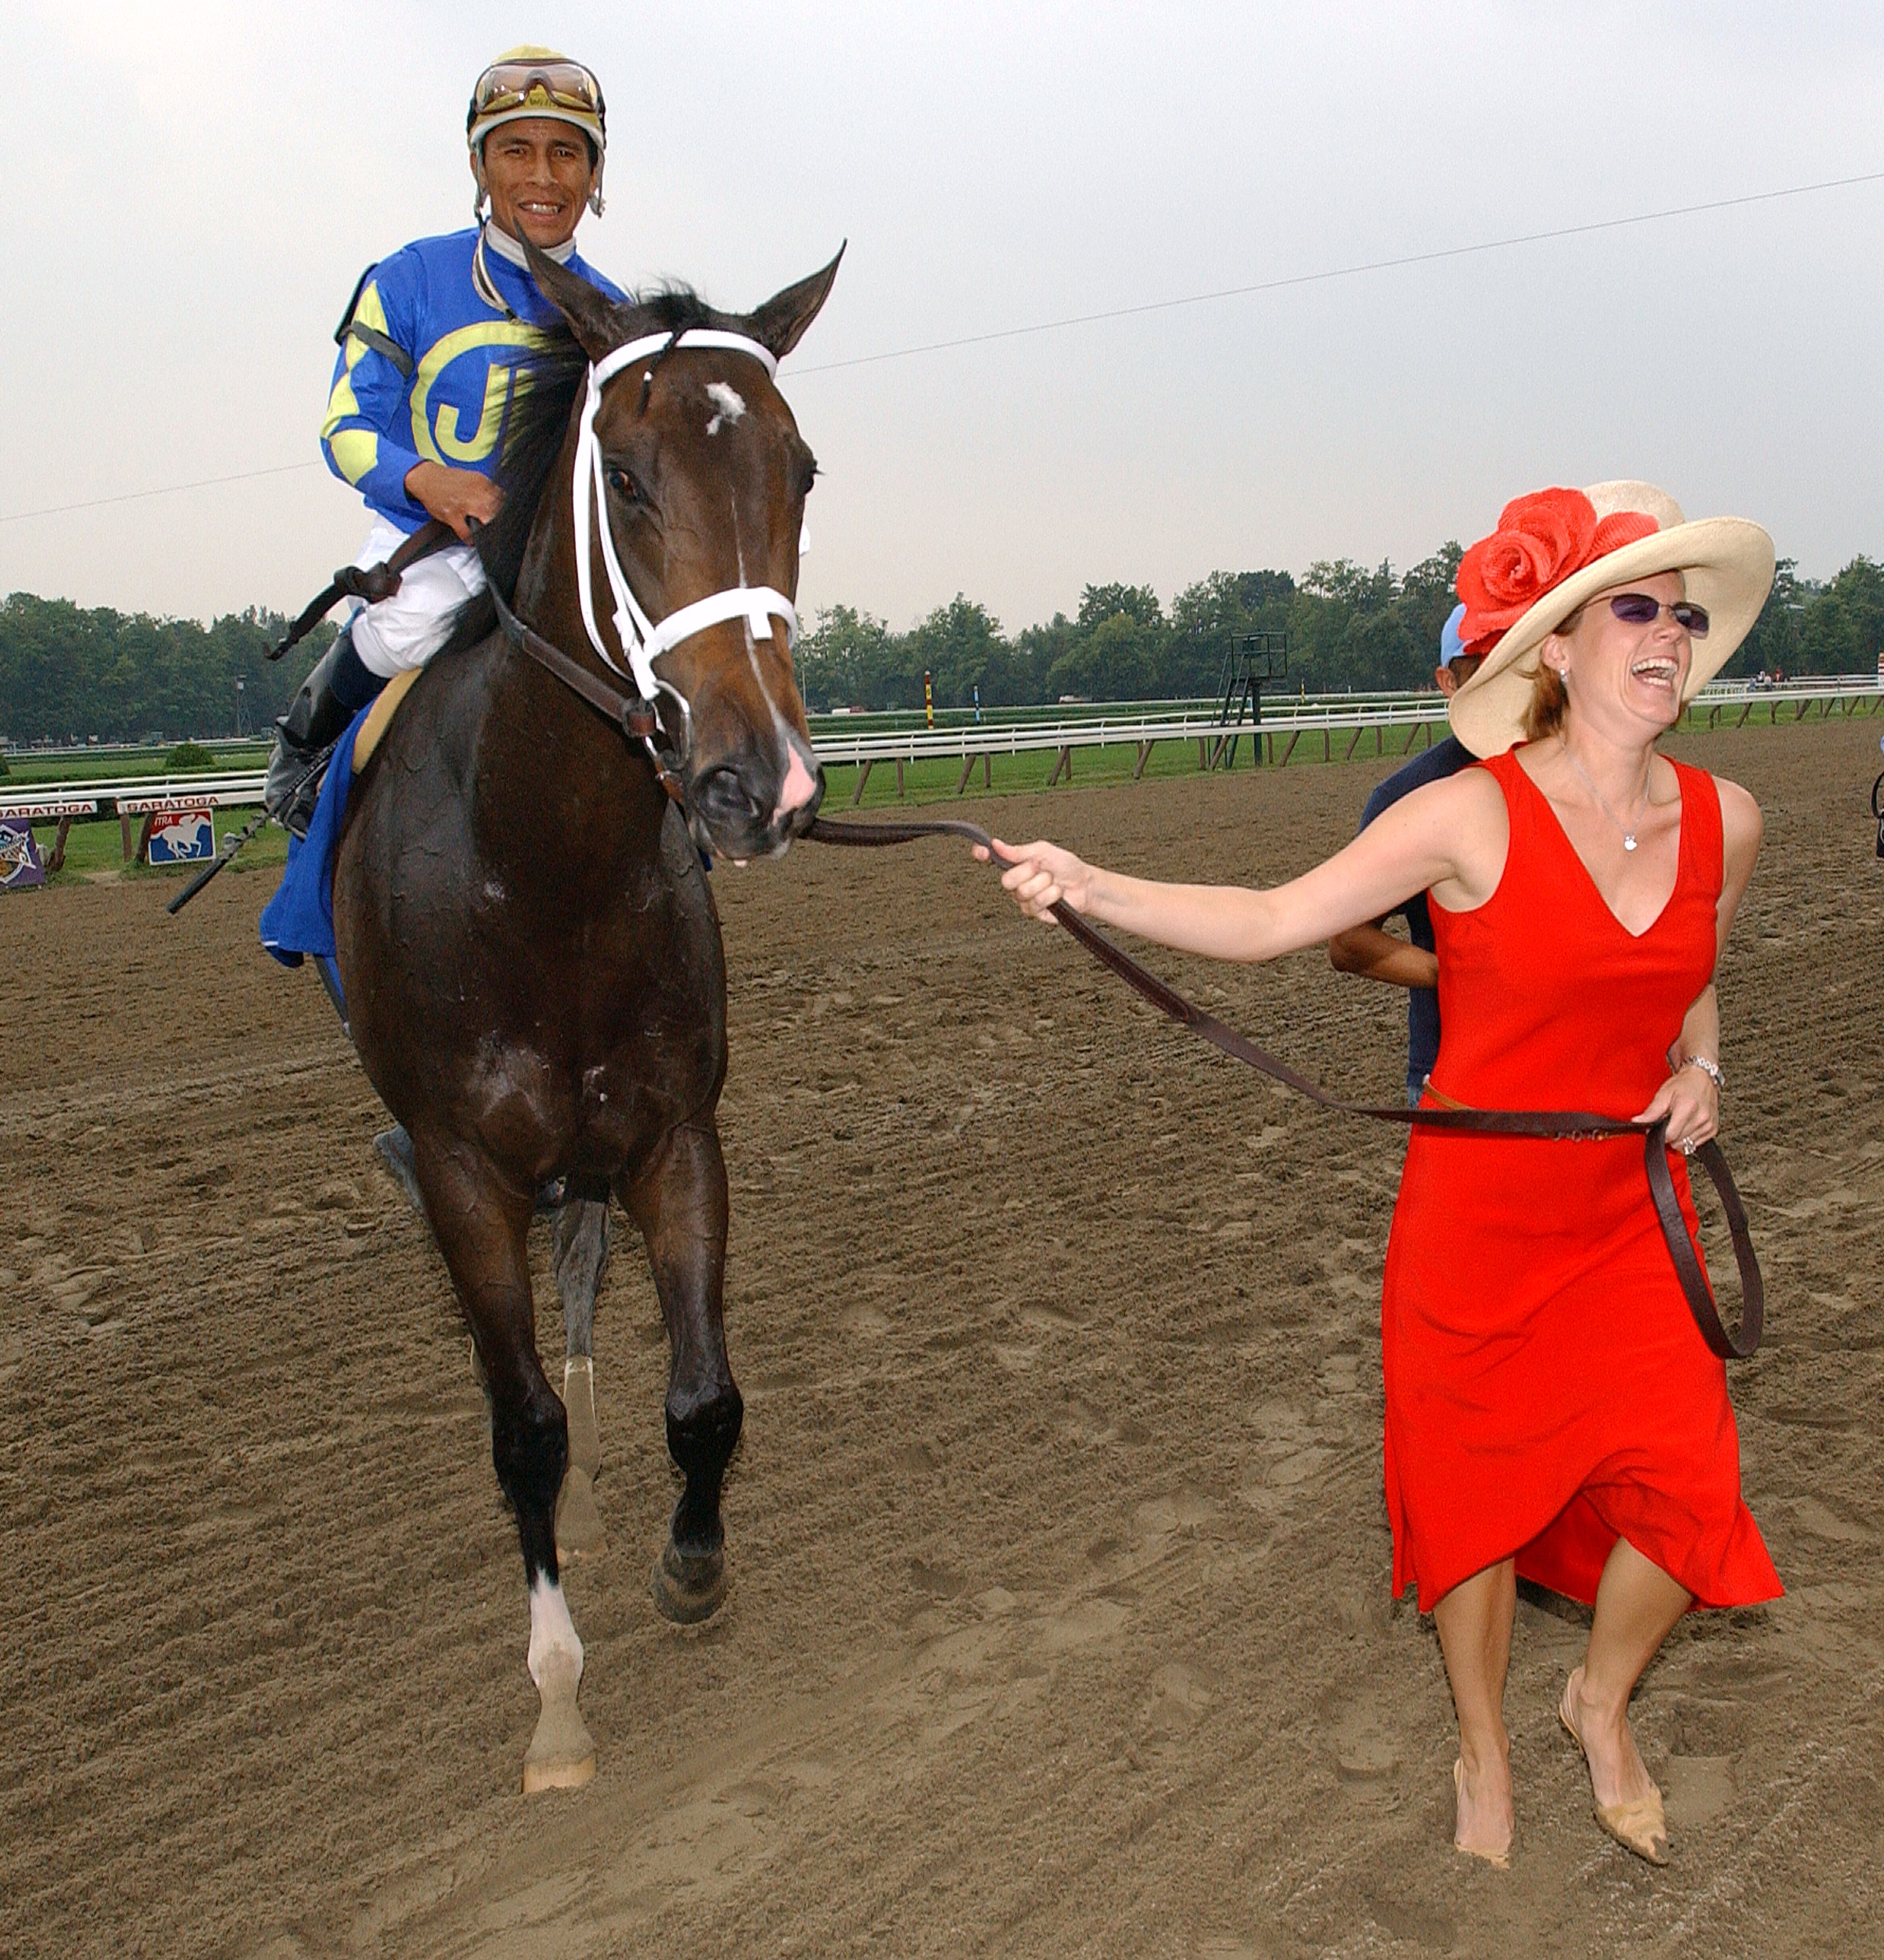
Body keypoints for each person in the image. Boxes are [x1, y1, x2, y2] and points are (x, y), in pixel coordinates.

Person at [983, 481, 1781, 1869]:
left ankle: (1596, 1698)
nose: (1668, 634)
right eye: (1634, 608)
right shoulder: (1465, 817)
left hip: (1628, 1222)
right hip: (1477, 1226)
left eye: (1685, 614)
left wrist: (1703, 1069)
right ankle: (1483, 1745)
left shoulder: (1730, 817)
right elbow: (1278, 917)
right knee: (1469, 1504)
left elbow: (1688, 973)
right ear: (1558, 646)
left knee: (1690, 1488)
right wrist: (1089, 883)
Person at [265, 47, 627, 834]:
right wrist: (431, 480)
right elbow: (344, 429)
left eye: (566, 153)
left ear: (595, 176)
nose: (542, 176)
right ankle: (304, 748)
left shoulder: (614, 311)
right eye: (516, 151)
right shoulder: (407, 280)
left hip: (560, 560)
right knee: (409, 624)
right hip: (433, 542)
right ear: (479, 165)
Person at [1328, 602, 1485, 1102]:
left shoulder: (1576, 775)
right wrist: (1461, 974)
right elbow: (1348, 940)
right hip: (1452, 1075)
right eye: (1480, 669)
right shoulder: (1406, 796)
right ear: (1447, 681)